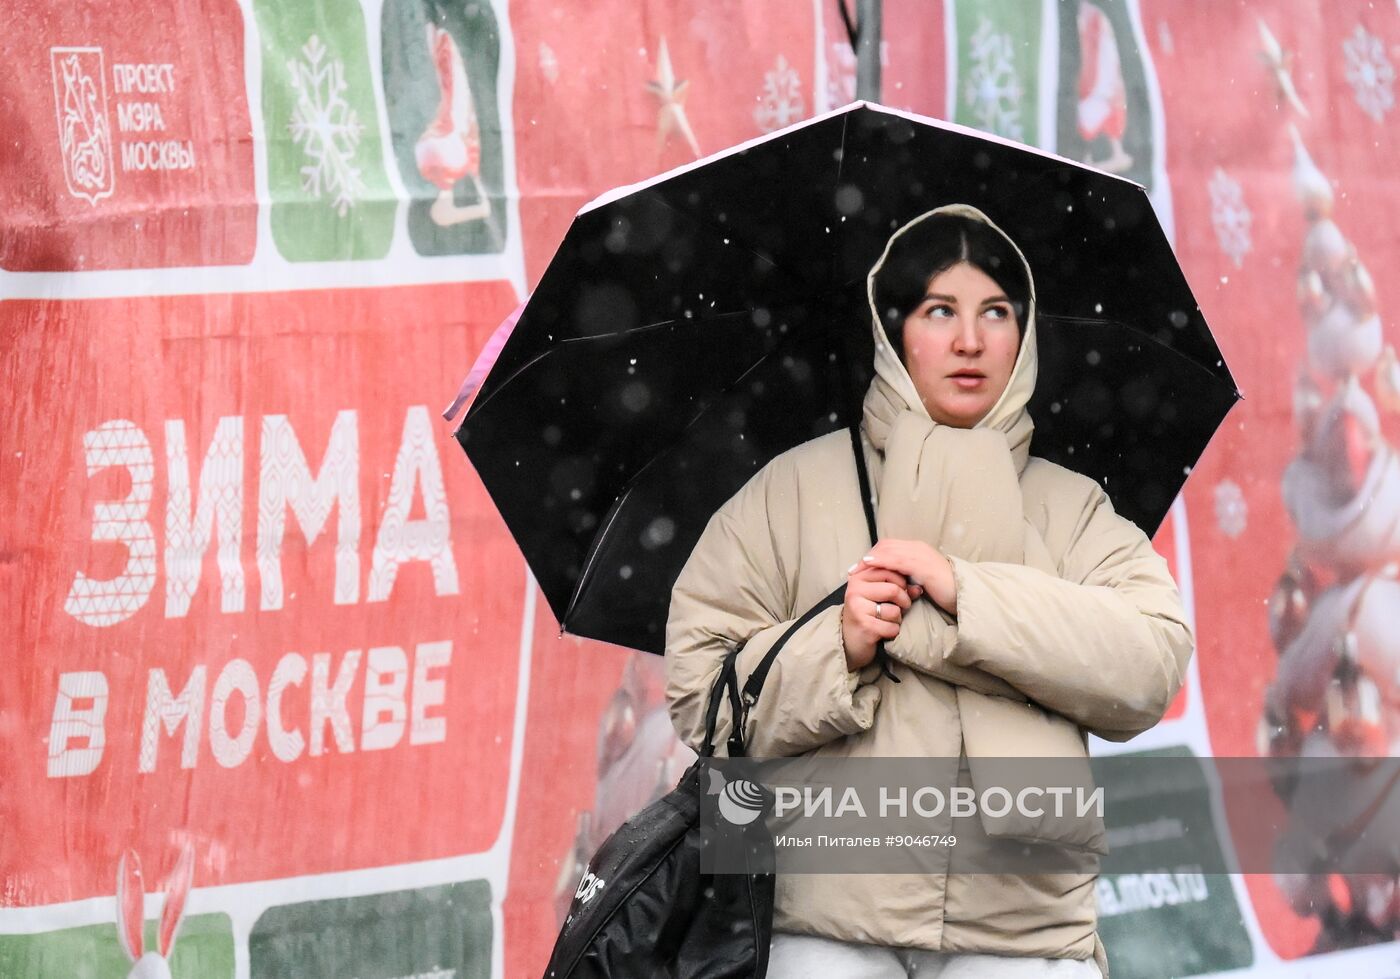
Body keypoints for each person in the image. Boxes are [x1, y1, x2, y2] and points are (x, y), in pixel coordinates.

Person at [664, 204, 1194, 978]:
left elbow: (1151, 664)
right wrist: (833, 647)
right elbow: (701, 695)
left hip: (1021, 932)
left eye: (996, 313)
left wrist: (969, 594)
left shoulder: (1071, 508)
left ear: (1026, 330)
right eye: (939, 310)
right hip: (819, 917)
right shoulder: (792, 490)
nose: (970, 340)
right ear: (892, 331)